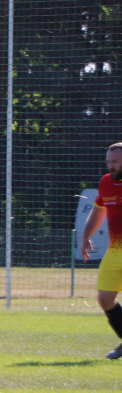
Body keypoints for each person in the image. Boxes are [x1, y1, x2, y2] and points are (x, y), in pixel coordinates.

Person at [80, 142, 122, 359]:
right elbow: (98, 211)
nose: (110, 166)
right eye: (108, 161)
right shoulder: (106, 183)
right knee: (105, 299)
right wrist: (86, 236)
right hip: (115, 251)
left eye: (115, 162)